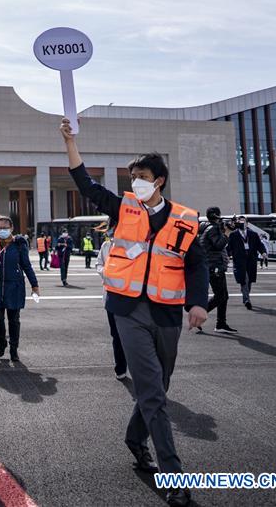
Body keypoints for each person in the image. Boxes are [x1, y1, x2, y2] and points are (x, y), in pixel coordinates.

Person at [61, 117, 207, 507]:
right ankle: (174, 476)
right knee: (152, 391)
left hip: (167, 312)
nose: (134, 183)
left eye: (141, 176)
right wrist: (70, 142)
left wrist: (197, 302)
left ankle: (133, 437)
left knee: (160, 386)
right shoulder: (123, 207)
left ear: (158, 180)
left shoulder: (186, 218)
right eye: (132, 177)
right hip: (127, 310)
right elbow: (84, 182)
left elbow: (197, 263)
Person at [0, 216, 39, 362]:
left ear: (12, 229)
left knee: (14, 320)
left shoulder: (18, 244)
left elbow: (26, 266)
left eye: (5, 228)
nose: (2, 230)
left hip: (14, 287)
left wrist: (34, 285)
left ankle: (13, 349)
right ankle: (2, 342)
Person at [95, 223, 128, 379]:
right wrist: (105, 272)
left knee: (132, 334)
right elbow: (99, 263)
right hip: (110, 295)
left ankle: (136, 366)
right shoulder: (106, 245)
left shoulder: (133, 245)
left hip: (130, 296)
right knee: (116, 334)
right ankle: (120, 367)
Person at [199, 207, 237, 334]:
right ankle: (198, 316)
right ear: (216, 215)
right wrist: (227, 233)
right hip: (214, 267)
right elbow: (219, 245)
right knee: (221, 295)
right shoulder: (213, 229)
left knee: (224, 296)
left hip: (213, 266)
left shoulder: (209, 228)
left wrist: (227, 228)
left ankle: (221, 323)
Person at [227, 216, 266, 311]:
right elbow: (229, 247)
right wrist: (227, 256)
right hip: (239, 260)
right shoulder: (233, 234)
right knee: (245, 279)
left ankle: (245, 294)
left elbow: (259, 245)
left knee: (249, 281)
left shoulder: (253, 234)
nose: (242, 223)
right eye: (240, 222)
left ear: (247, 224)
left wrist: (263, 252)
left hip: (251, 260)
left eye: (243, 222)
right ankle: (247, 300)